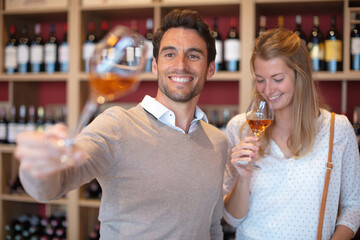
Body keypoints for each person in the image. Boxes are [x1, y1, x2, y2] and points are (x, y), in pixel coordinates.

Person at [15, 9, 228, 239]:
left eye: (194, 55)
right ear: (155, 66)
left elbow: (212, 226)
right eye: (169, 54)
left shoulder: (219, 142)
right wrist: (38, 170)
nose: (181, 65)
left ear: (210, 69)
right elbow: (56, 184)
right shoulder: (117, 125)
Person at [223, 28, 360, 240]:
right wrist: (243, 179)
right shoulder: (240, 128)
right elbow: (232, 219)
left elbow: (354, 206)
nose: (267, 90)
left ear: (301, 76)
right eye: (260, 80)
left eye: (277, 79)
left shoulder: (337, 130)